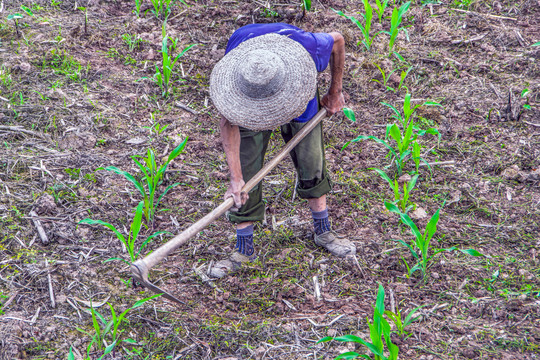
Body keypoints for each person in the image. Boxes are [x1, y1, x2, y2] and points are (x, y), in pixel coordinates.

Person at [208, 23, 356, 278]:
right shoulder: (237, 83)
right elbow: (228, 124)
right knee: (246, 167)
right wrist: (235, 178)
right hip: (250, 103)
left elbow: (338, 41)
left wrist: (335, 92)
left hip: (298, 95)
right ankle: (245, 248)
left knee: (312, 160)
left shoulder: (307, 47)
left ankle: (323, 231)